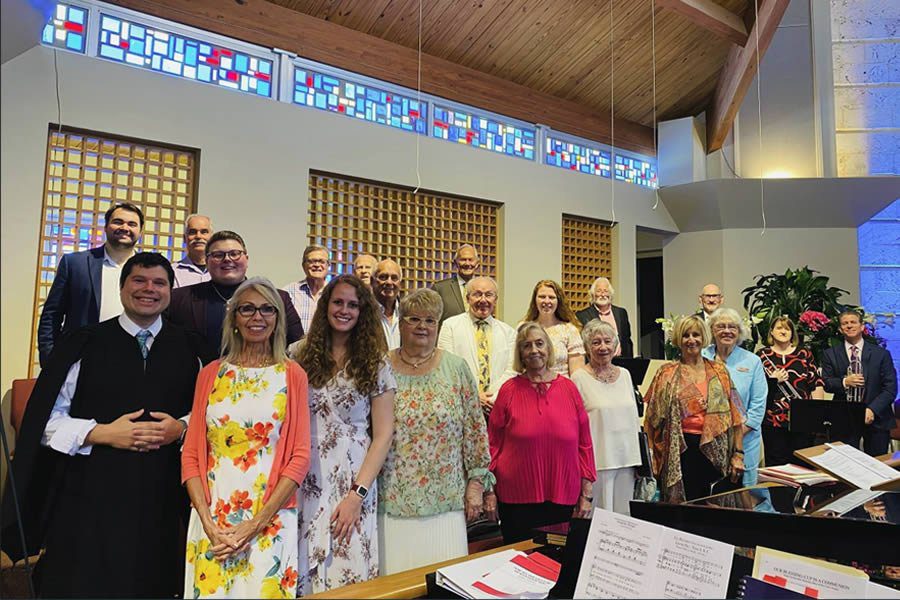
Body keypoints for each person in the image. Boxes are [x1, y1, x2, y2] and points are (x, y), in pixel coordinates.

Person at [1, 252, 202, 597]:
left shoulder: (191, 347)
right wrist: (101, 432)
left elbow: (209, 413)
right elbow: (45, 421)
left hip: (163, 493)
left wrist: (181, 427)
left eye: (159, 283)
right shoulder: (84, 342)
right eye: (139, 280)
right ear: (123, 287)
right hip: (91, 490)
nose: (148, 290)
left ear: (171, 290)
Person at [182, 277, 311, 598]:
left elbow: (299, 458)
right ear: (234, 318)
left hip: (269, 519)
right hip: (213, 519)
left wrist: (254, 525)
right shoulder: (211, 373)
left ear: (279, 319)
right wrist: (209, 524)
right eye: (248, 309)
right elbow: (191, 456)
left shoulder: (292, 374)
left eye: (268, 309)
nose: (258, 317)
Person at [378, 289, 493, 574]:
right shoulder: (380, 366)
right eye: (414, 319)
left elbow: (475, 430)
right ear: (401, 323)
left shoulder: (456, 369)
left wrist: (476, 485)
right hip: (392, 501)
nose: (422, 326)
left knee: (445, 582)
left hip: (447, 502)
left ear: (438, 325)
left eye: (430, 320)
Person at [294, 275, 395, 594]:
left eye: (353, 305)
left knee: (347, 576)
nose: (344, 310)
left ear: (362, 312)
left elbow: (383, 435)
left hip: (353, 483)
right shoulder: (297, 355)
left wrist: (357, 495)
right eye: (338, 302)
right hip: (303, 483)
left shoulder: (375, 363)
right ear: (325, 306)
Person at [487, 322, 595, 543]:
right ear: (520, 353)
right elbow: (492, 443)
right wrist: (488, 491)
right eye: (527, 346)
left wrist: (586, 493)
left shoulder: (569, 389)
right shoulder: (508, 390)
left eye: (539, 343)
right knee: (516, 563)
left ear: (549, 349)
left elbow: (585, 444)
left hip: (563, 493)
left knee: (556, 564)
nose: (534, 350)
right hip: (515, 496)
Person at [644, 315, 745, 503]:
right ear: (678, 340)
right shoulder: (666, 372)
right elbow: (651, 419)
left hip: (715, 449)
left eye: (696, 335)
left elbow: (736, 417)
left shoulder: (719, 371)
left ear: (704, 338)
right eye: (686, 335)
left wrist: (738, 455)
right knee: (680, 511)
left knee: (712, 509)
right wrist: (651, 457)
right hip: (677, 451)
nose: (691, 340)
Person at [167, 230, 303, 361]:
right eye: (218, 255)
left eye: (235, 253)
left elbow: (296, 347)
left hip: (262, 380)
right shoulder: (179, 298)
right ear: (207, 261)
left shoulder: (278, 299)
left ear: (247, 259)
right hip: (198, 381)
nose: (227, 259)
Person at [37, 201, 143, 366]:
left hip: (133, 361)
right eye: (118, 222)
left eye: (132, 224)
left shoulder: (150, 270)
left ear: (140, 231)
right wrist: (51, 360)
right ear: (106, 227)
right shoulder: (74, 263)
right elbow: (51, 315)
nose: (125, 227)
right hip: (81, 360)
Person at [571, 320, 641, 514]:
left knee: (624, 521)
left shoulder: (625, 375)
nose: (603, 347)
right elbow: (575, 426)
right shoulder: (578, 378)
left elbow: (634, 420)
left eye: (607, 341)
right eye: (596, 342)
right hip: (597, 463)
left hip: (627, 461)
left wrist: (640, 459)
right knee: (598, 521)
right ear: (586, 347)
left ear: (616, 346)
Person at [702, 308, 767, 486]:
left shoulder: (752, 361)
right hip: (708, 439)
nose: (727, 331)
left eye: (732, 327)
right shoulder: (701, 357)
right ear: (712, 330)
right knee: (711, 490)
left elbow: (758, 405)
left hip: (746, 439)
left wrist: (734, 434)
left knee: (746, 490)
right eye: (721, 326)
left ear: (739, 331)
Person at [821, 310, 898, 456]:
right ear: (840, 329)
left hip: (877, 418)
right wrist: (844, 382)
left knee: (877, 465)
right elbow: (826, 383)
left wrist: (872, 410)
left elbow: (890, 388)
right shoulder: (830, 354)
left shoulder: (881, 354)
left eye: (853, 322)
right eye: (845, 323)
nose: (849, 326)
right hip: (844, 418)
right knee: (845, 464)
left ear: (862, 326)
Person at [438, 276, 517, 415]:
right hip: (461, 407)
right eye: (477, 294)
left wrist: (492, 397)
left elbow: (512, 370)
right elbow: (446, 367)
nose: (483, 300)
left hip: (496, 407)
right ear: (467, 298)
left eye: (489, 295)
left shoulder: (509, 332)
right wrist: (473, 396)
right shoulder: (450, 325)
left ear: (495, 300)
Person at [756, 316, 824, 466]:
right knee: (776, 463)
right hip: (772, 420)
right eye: (779, 328)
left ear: (792, 333)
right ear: (771, 332)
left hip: (802, 419)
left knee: (802, 463)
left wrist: (817, 414)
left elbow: (816, 383)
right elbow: (756, 388)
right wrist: (773, 380)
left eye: (787, 328)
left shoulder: (804, 354)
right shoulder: (761, 356)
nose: (783, 331)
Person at [521, 279, 584, 376]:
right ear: (535, 300)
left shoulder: (570, 330)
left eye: (551, 297)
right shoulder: (523, 328)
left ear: (558, 301)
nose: (547, 301)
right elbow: (516, 366)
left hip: (561, 388)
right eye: (542, 297)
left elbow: (577, 375)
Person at [575, 276, 634, 358]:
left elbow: (627, 340)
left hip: (621, 360)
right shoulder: (582, 315)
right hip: (597, 363)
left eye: (606, 291)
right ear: (593, 294)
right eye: (599, 291)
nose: (602, 294)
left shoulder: (621, 313)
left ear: (610, 294)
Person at [283, 245, 330, 332]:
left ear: (328, 265)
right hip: (296, 345)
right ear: (303, 265)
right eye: (311, 261)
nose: (316, 265)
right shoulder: (288, 292)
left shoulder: (334, 293)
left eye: (321, 261)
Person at [432, 244, 480, 326]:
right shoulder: (440, 288)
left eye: (471, 260)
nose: (467, 263)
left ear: (477, 263)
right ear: (455, 262)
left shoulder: (484, 289)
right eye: (463, 259)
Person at [173, 214, 214, 288]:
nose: (198, 236)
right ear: (185, 238)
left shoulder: (222, 270)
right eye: (192, 232)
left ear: (212, 237)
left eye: (204, 232)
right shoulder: (172, 271)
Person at [372, 259, 404, 350]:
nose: (389, 282)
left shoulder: (408, 314)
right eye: (383, 277)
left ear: (400, 284)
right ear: (372, 281)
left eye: (394, 278)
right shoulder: (362, 312)